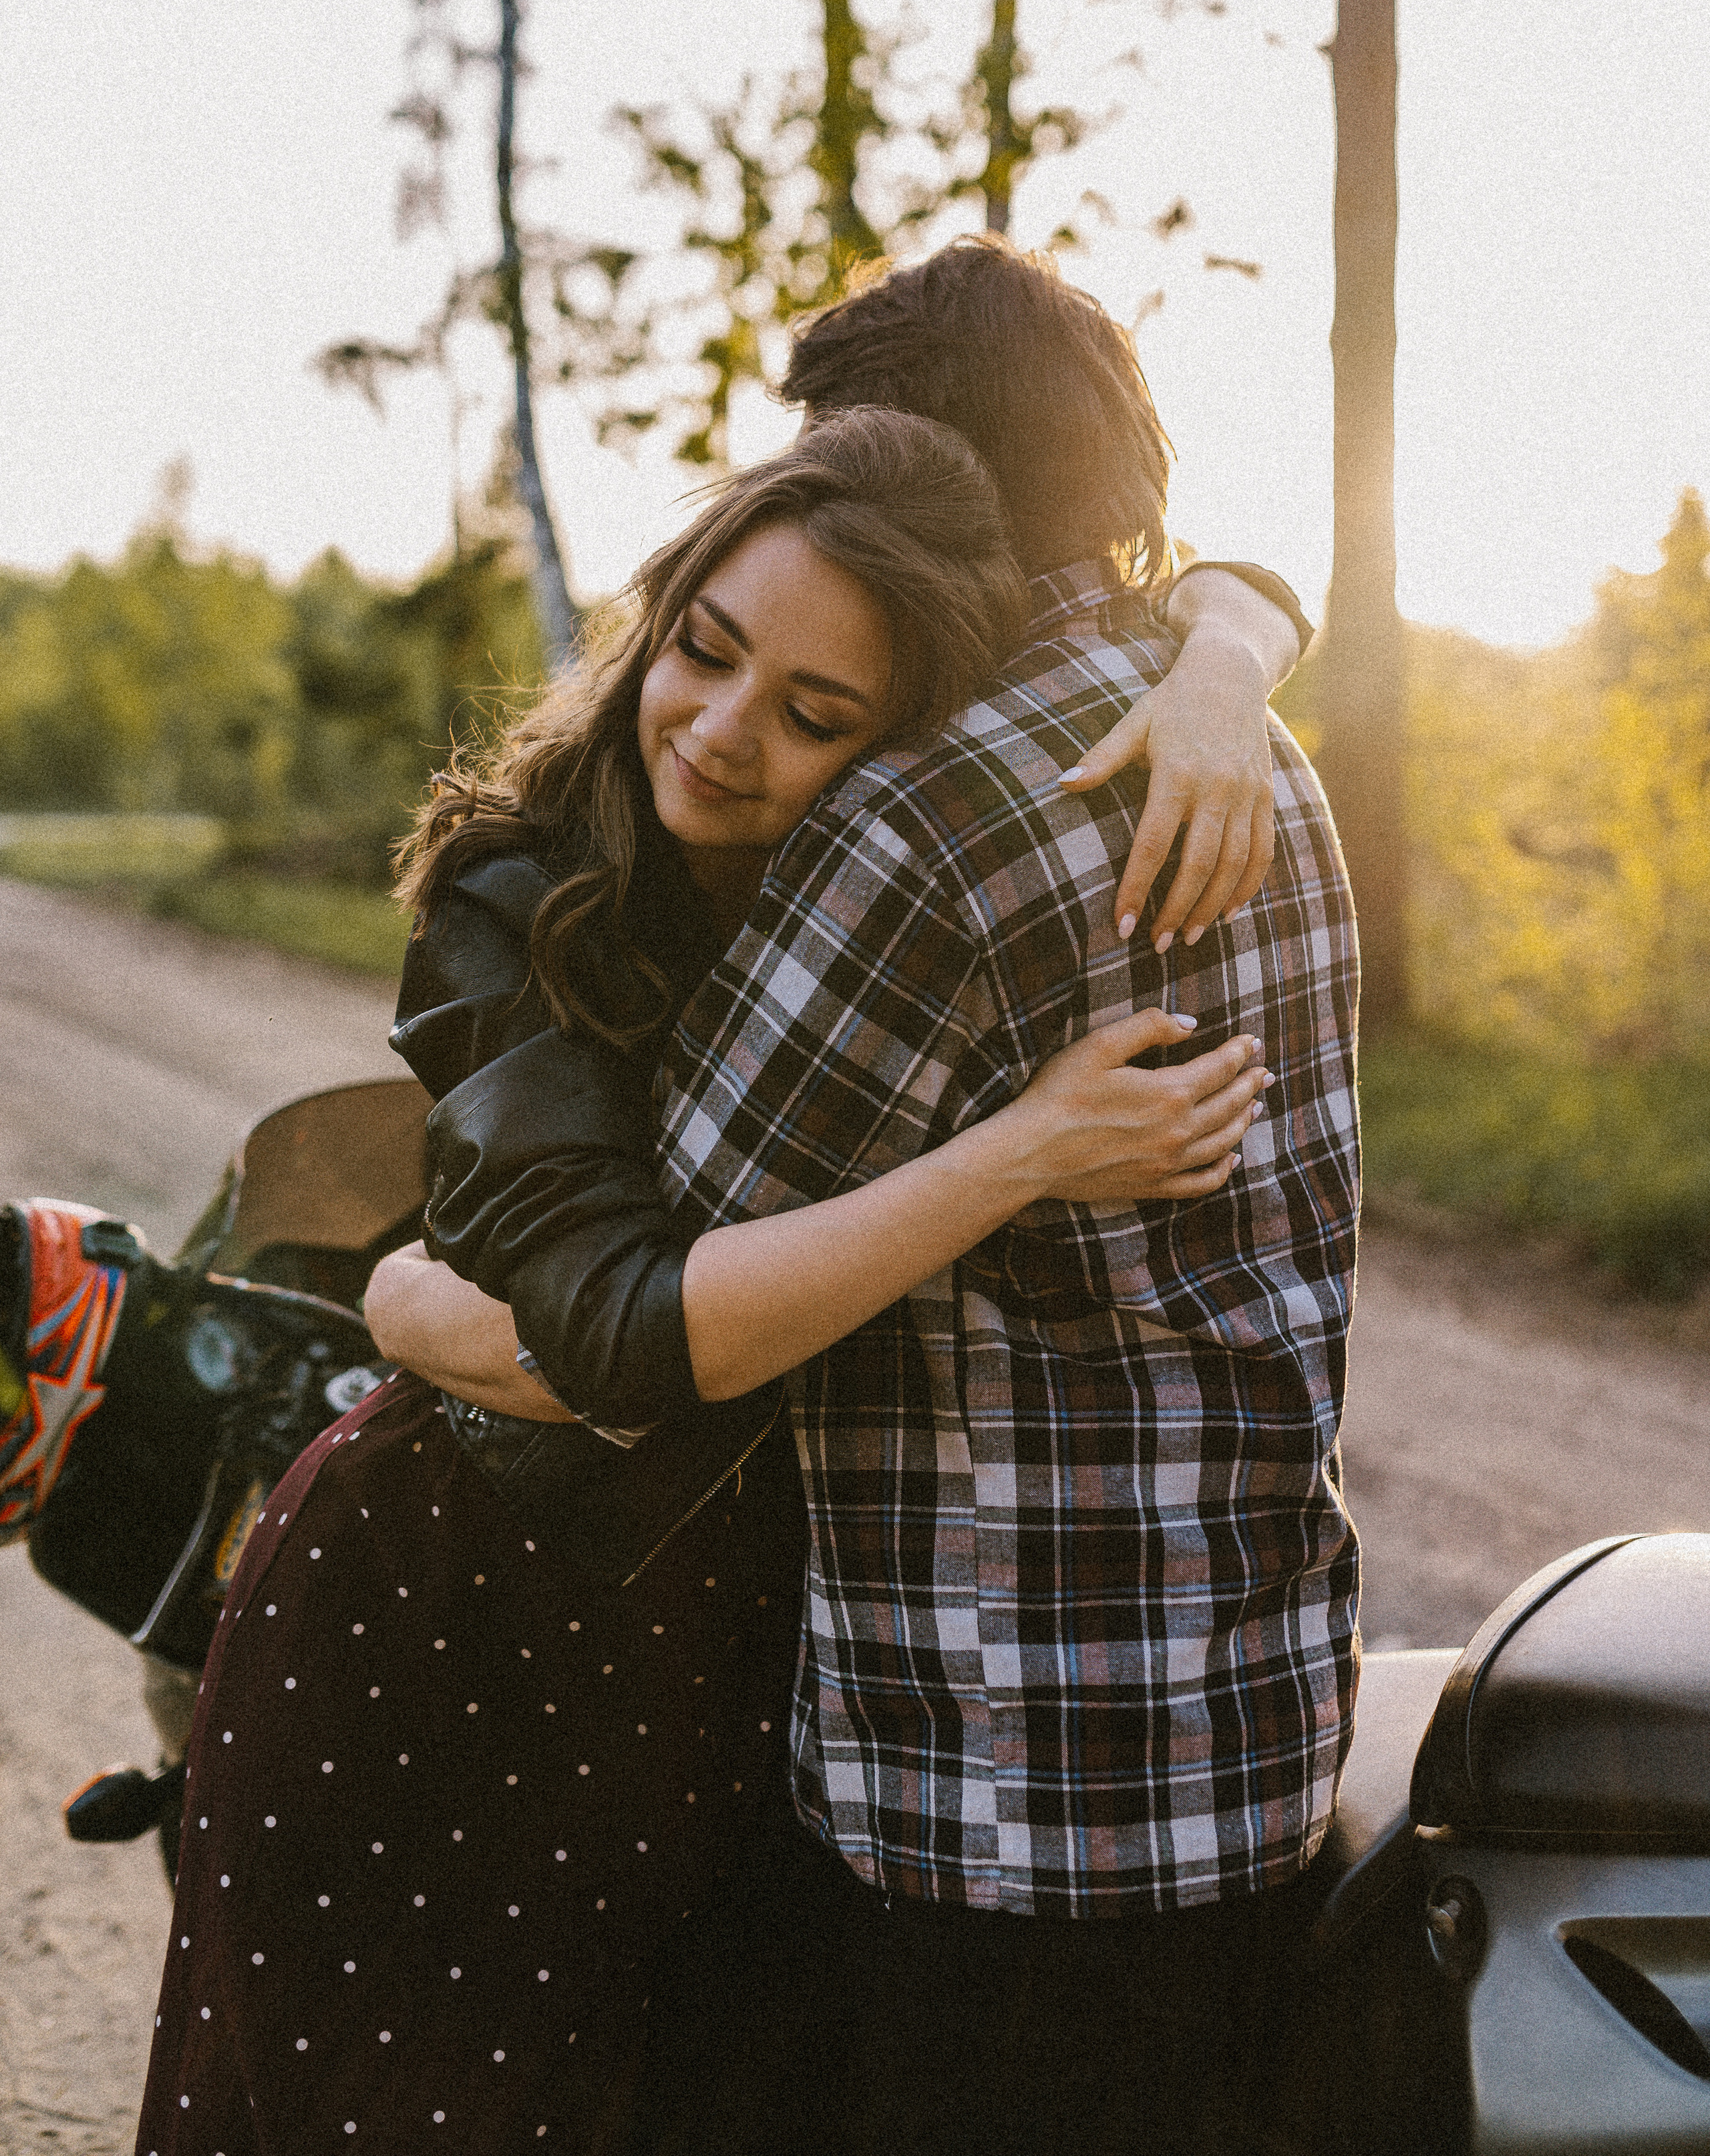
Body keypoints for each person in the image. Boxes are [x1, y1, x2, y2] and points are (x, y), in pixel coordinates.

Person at [134, 405, 1287, 2156]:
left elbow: (1176, 579)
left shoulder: (892, 897)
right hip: (439, 1627)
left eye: (817, 716)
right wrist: (1027, 1154)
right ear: (662, 611)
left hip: (721, 1680)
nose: (724, 735)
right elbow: (614, 1336)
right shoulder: (518, 888)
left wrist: (1234, 643)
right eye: (707, 651)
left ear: (909, 753)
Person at [382, 239, 1360, 2156]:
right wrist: (1239, 629)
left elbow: (651, 1316)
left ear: (938, 490)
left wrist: (400, 1305)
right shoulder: (1257, 755)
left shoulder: (924, 820)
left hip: (987, 1786)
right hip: (1249, 1728)